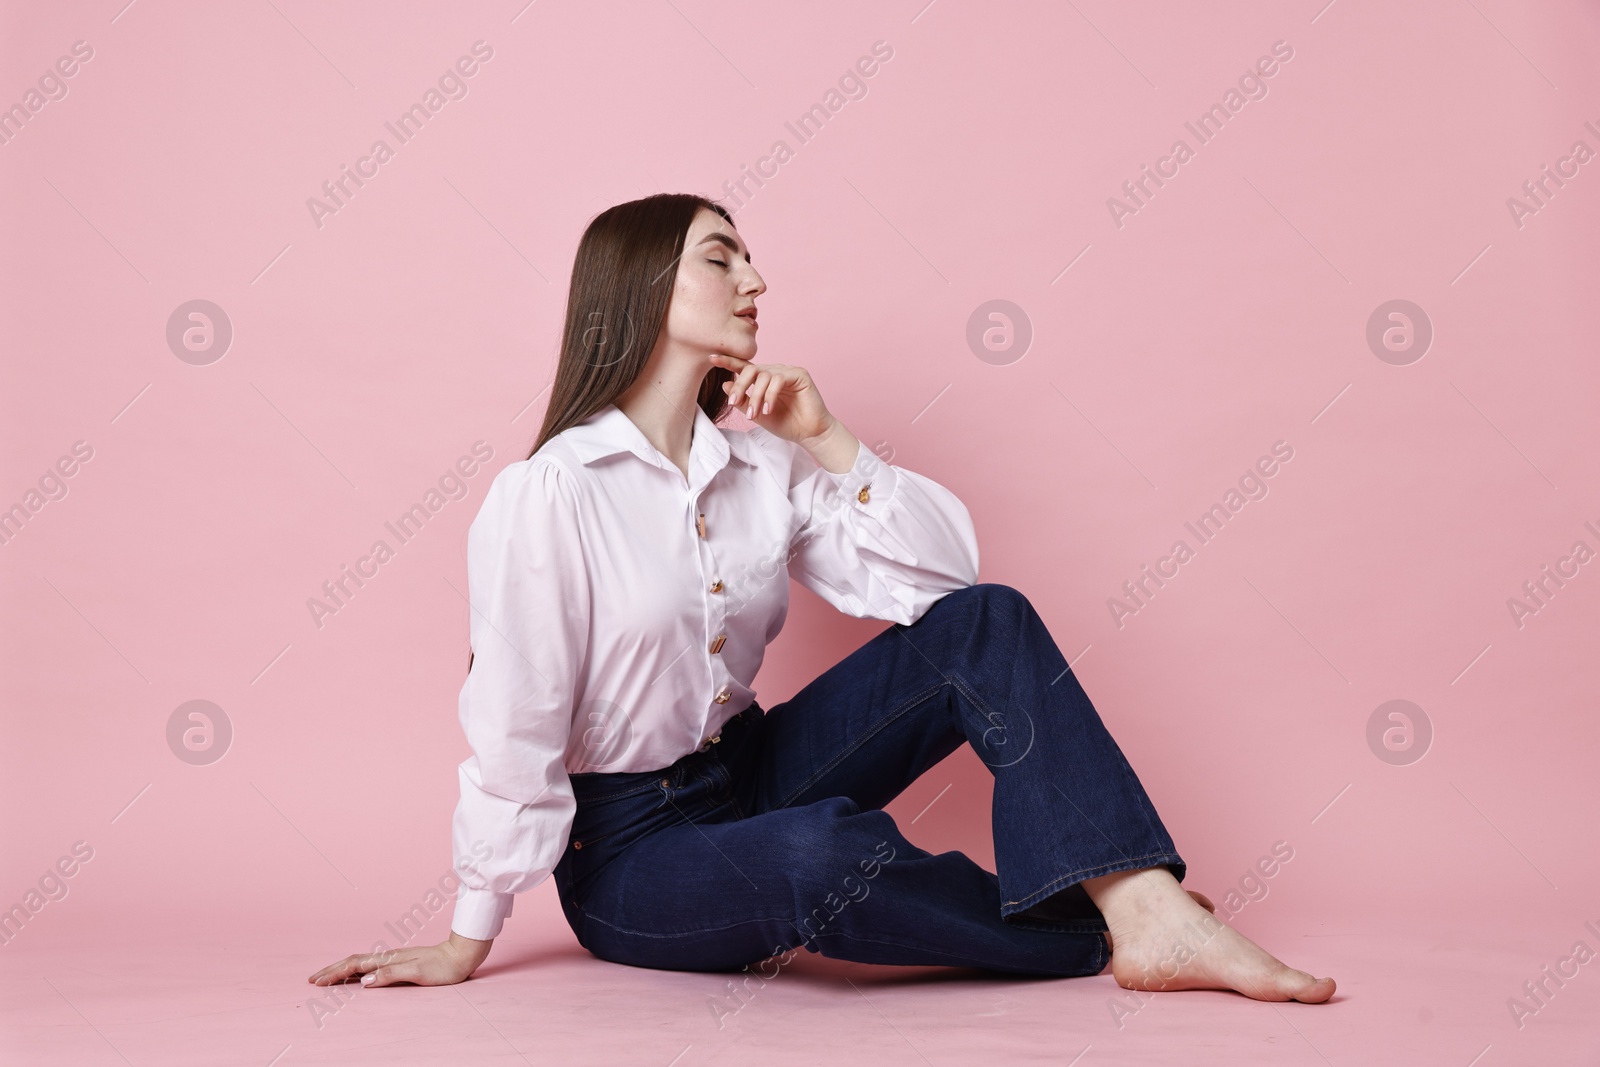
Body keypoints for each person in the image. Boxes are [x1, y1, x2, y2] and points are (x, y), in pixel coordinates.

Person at [311, 193, 1335, 1003]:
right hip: (627, 852)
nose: (756, 278)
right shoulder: (549, 493)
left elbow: (946, 590)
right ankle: (1098, 931)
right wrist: (466, 931)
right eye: (721, 256)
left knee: (991, 621)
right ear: (637, 286)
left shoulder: (762, 467)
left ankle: (1142, 901)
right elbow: (514, 717)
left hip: (750, 768)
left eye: (748, 256)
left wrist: (827, 436)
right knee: (818, 853)